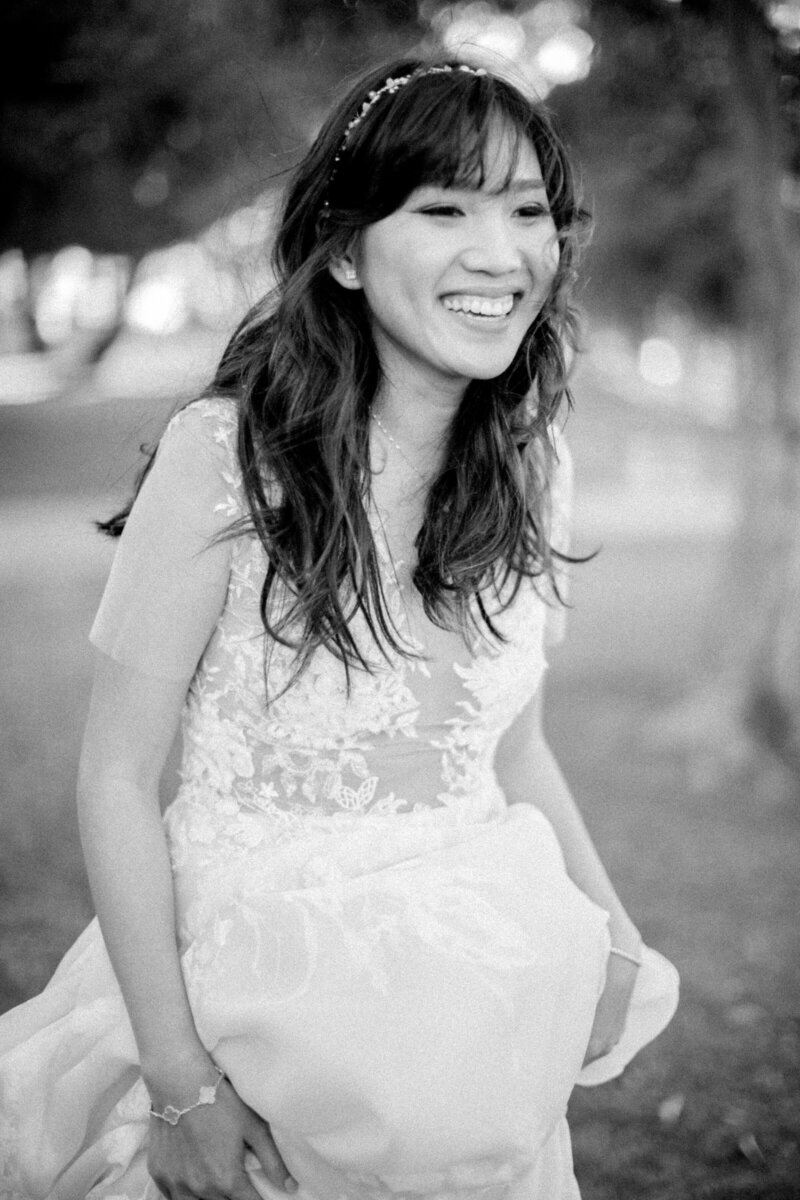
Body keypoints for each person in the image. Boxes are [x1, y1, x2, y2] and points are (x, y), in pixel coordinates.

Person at [0, 56, 679, 1200]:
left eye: (527, 213)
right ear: (348, 249)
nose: (498, 252)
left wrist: (611, 936)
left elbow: (512, 745)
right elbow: (114, 776)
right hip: (245, 1014)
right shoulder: (225, 460)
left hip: (469, 1019)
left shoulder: (532, 463)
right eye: (443, 208)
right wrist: (180, 1083)